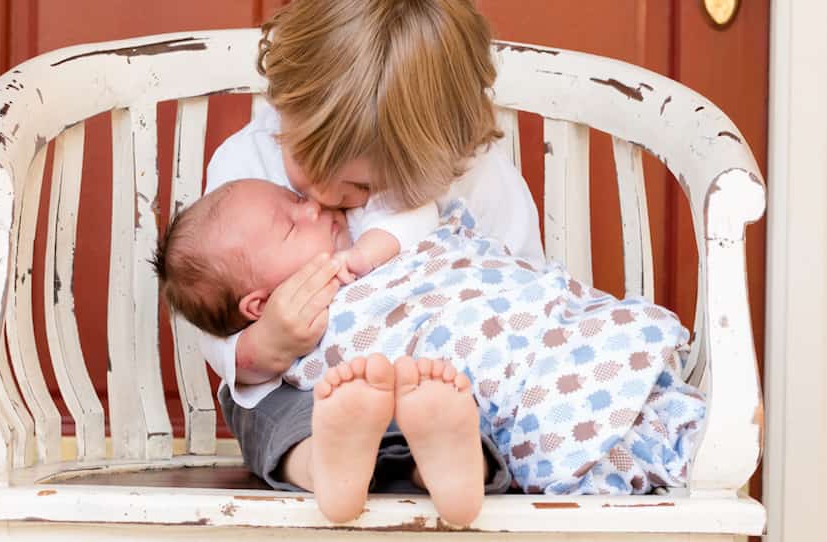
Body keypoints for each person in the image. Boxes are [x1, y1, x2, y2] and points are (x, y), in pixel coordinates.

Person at [171, 0, 544, 525]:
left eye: (358, 185)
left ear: (434, 155)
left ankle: (440, 461)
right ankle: (326, 461)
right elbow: (214, 298)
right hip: (318, 388)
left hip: (447, 379)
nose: (320, 197)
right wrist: (258, 347)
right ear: (284, 100)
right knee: (266, 407)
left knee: (477, 411)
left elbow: (525, 291)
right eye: (302, 165)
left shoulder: (475, 178)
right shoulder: (245, 162)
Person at [157, 178, 706, 499]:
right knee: (375, 391)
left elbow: (448, 240)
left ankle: (446, 458)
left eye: (295, 198)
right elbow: (235, 355)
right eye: (290, 222)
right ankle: (419, 459)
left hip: (522, 334)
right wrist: (269, 341)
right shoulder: (245, 182)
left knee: (452, 381)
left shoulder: (376, 218)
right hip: (424, 383)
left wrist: (370, 252)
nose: (313, 205)